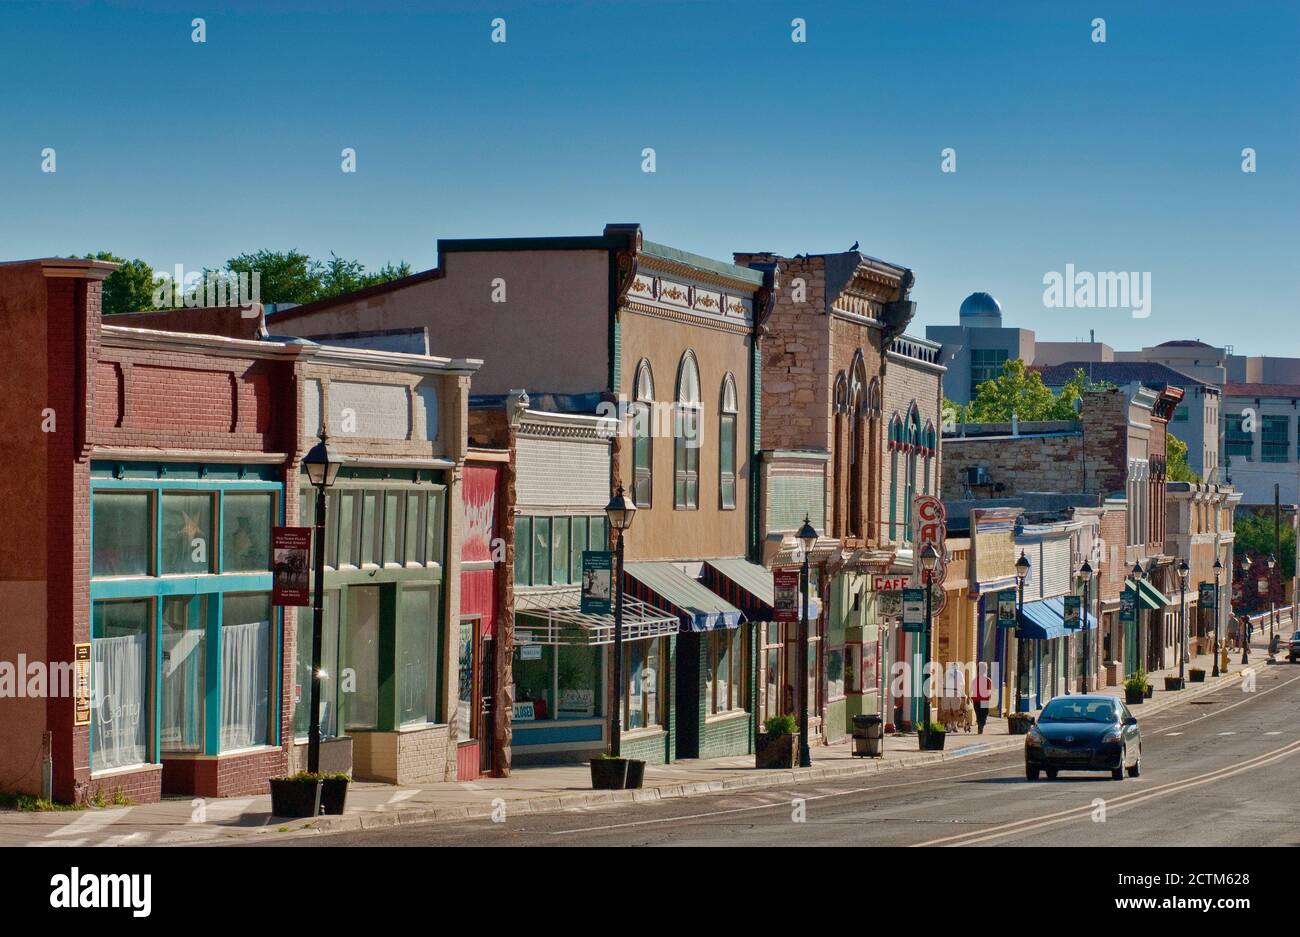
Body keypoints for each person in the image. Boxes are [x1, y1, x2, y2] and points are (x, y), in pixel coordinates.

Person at [971, 663, 992, 734]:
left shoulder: (975, 680)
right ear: (985, 670)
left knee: (978, 714)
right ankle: (981, 725)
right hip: (984, 700)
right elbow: (989, 691)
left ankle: (980, 725)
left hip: (976, 700)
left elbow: (973, 690)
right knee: (984, 714)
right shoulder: (988, 680)